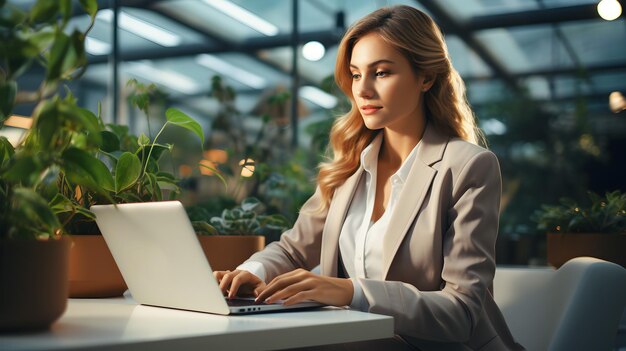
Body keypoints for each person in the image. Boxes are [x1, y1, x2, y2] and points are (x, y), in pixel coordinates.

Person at [215, 5, 524, 351]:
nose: (362, 90)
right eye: (356, 74)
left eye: (380, 73)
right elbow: (292, 249)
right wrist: (250, 271)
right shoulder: (348, 166)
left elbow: (461, 312)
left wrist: (352, 291)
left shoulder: (469, 167)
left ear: (426, 77)